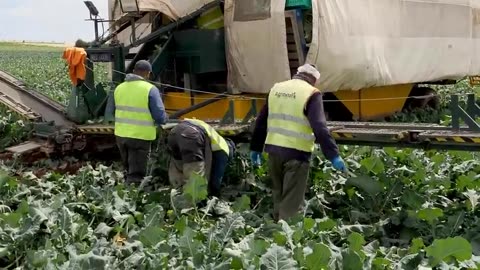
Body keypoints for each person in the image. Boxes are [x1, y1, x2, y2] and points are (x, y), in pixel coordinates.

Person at [249, 63, 346, 221]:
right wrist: (333, 155)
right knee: (291, 206)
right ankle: (287, 240)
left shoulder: (276, 88)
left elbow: (261, 120)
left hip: (273, 152)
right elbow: (320, 127)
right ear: (314, 80)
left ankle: (273, 236)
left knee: (278, 198)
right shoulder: (311, 93)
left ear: (297, 74)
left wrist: (255, 148)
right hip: (296, 155)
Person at [112, 60, 168, 184]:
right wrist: (165, 119)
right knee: (136, 174)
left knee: (128, 168)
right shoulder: (150, 89)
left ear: (133, 72)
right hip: (139, 136)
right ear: (148, 74)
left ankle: (124, 194)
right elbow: (159, 116)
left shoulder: (119, 88)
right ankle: (133, 198)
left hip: (121, 135)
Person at [167, 118, 235, 197]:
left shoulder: (216, 138)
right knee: (195, 176)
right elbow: (216, 180)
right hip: (191, 135)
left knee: (179, 171)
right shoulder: (224, 149)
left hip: (174, 133)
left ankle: (176, 198)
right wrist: (214, 194)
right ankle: (191, 204)